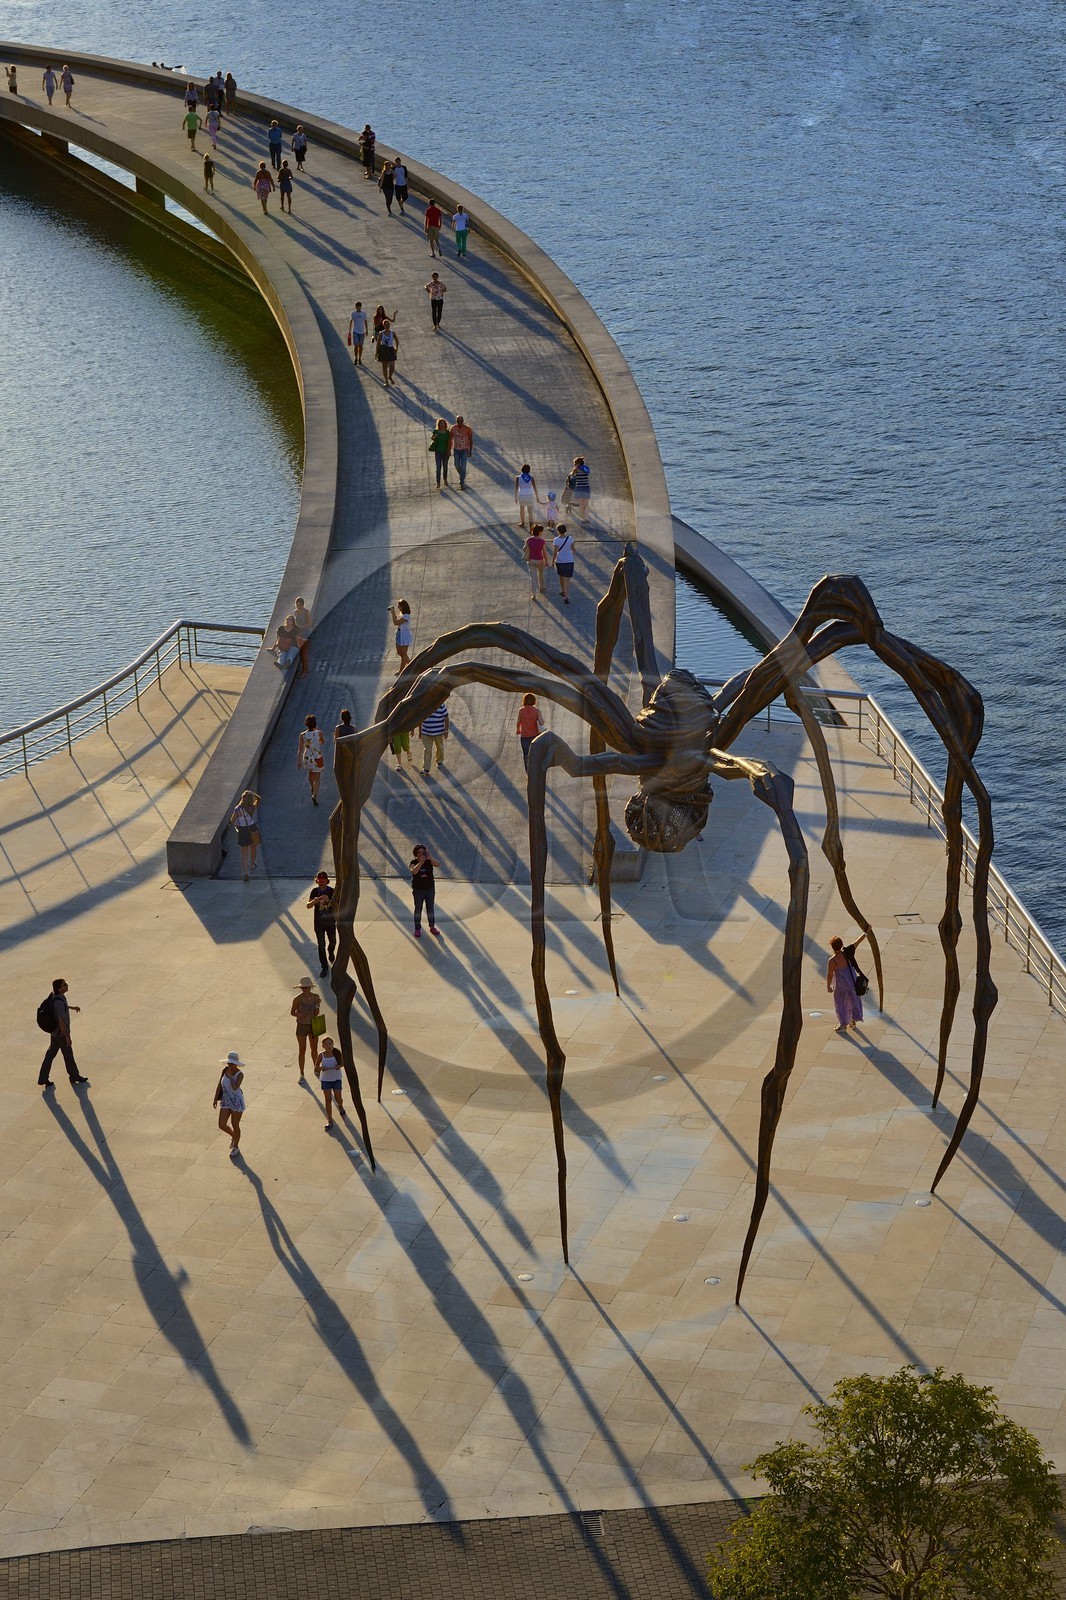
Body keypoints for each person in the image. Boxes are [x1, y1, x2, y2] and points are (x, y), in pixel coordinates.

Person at [37, 978, 88, 1089]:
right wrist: (67, 1037)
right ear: (60, 988)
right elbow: (61, 1021)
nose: (67, 985)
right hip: (61, 1034)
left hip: (54, 1033)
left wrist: (71, 1007)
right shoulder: (59, 1002)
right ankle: (74, 1075)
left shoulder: (54, 996)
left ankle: (43, 1077)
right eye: (65, 984)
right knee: (68, 1055)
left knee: (50, 1054)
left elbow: (59, 1007)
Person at [827, 933, 867, 1032]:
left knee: (840, 1003)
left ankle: (843, 1024)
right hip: (852, 982)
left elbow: (830, 975)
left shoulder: (832, 961)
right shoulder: (847, 953)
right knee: (852, 1000)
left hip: (840, 985)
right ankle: (853, 1021)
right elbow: (857, 942)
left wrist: (828, 986)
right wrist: (866, 933)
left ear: (832, 947)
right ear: (841, 944)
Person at [214, 1052, 246, 1156]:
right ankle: (234, 1136)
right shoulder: (225, 1070)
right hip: (226, 1100)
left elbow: (235, 1087)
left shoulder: (239, 1074)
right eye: (229, 1063)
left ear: (236, 1064)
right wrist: (215, 1098)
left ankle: (236, 1146)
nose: (230, 1066)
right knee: (222, 1124)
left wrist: (232, 1077)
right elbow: (220, 1085)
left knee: (235, 1124)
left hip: (236, 1101)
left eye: (232, 1064)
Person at [291, 977, 321, 1078]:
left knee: (314, 1048)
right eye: (303, 988)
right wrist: (299, 1015)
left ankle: (316, 1068)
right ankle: (302, 1073)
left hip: (313, 1024)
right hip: (302, 1025)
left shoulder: (316, 997)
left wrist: (317, 1005)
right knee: (302, 1050)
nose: (304, 989)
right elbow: (292, 1012)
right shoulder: (297, 999)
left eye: (306, 987)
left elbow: (316, 1013)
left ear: (310, 987)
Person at [307, 871, 336, 975]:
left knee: (333, 941)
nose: (322, 883)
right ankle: (324, 967)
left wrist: (329, 901)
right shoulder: (315, 891)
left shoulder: (332, 891)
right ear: (317, 881)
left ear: (327, 881)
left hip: (330, 921)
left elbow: (337, 905)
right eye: (320, 881)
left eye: (323, 881)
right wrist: (314, 901)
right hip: (319, 923)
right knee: (321, 945)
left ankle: (331, 951)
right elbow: (308, 905)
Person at [230, 790, 262, 880]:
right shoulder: (252, 807)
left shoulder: (238, 809)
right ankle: (252, 864)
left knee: (244, 854)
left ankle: (246, 873)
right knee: (253, 847)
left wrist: (237, 826)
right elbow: (259, 799)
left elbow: (232, 820)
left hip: (243, 830)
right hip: (252, 828)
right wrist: (252, 794)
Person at [410, 845, 440, 938]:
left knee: (430, 908)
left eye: (423, 852)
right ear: (416, 854)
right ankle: (417, 929)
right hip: (418, 890)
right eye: (419, 852)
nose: (421, 854)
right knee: (418, 909)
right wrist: (420, 862)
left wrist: (430, 858)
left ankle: (432, 926)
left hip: (429, 889)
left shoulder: (429, 862)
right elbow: (413, 871)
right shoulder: (413, 862)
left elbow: (438, 865)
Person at [316, 1037, 346, 1130]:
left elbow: (343, 1063)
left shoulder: (337, 1053)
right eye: (326, 1044)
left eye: (330, 1044)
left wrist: (339, 1066)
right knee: (328, 1100)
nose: (328, 1046)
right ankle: (330, 1120)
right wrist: (321, 1068)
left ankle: (340, 1106)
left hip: (336, 1079)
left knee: (338, 1098)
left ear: (332, 1044)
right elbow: (316, 1067)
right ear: (323, 1046)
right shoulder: (321, 1055)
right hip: (325, 1080)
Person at [297, 713, 325, 806]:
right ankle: (315, 795)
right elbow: (322, 742)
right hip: (318, 757)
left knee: (311, 773)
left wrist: (299, 761)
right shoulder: (319, 733)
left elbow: (300, 749)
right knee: (318, 778)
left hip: (308, 757)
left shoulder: (302, 735)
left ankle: (312, 787)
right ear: (315, 724)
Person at [516, 694, 545, 772]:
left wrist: (518, 730)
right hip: (535, 737)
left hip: (524, 737)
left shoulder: (521, 710)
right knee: (535, 755)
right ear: (534, 701)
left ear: (524, 700)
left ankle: (528, 773)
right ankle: (536, 771)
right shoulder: (537, 711)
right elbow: (541, 722)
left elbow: (519, 722)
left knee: (526, 756)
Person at [419, 703, 449, 776]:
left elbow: (446, 717)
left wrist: (446, 730)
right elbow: (420, 719)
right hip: (426, 732)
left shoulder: (441, 705)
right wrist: (420, 731)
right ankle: (426, 768)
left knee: (440, 747)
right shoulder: (424, 705)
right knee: (427, 750)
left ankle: (439, 760)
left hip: (438, 732)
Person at [552, 523, 576, 603]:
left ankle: (563, 591)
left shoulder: (556, 540)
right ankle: (566, 596)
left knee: (561, 576)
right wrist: (569, 555)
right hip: (569, 560)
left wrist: (553, 561)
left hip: (560, 560)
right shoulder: (570, 538)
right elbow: (573, 550)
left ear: (558, 531)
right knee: (567, 579)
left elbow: (555, 552)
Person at [563, 456, 592, 521]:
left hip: (579, 488)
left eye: (575, 464)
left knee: (581, 504)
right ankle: (586, 517)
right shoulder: (586, 468)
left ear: (578, 463)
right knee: (586, 504)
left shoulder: (576, 469)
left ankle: (583, 518)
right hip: (586, 487)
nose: (574, 465)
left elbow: (571, 475)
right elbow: (588, 472)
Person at [524, 524, 549, 599]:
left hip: (531, 560)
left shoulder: (528, 539)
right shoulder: (542, 541)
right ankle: (541, 587)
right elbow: (544, 552)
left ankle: (534, 594)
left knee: (533, 577)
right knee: (540, 574)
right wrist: (547, 561)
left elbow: (524, 549)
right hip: (540, 560)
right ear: (540, 532)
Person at [449, 416, 473, 490]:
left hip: (464, 450)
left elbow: (471, 440)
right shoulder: (453, 428)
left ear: (463, 421)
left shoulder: (467, 429)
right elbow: (450, 439)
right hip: (456, 449)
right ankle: (462, 474)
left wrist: (470, 450)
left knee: (463, 466)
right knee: (456, 464)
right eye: (458, 421)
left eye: (461, 421)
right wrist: (449, 449)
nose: (460, 423)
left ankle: (461, 483)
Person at [375, 318, 399, 386]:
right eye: (386, 325)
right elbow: (378, 343)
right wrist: (376, 352)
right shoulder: (381, 333)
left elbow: (397, 341)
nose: (387, 326)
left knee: (392, 366)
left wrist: (396, 349)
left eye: (388, 325)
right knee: (384, 366)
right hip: (383, 349)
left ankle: (390, 376)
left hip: (390, 349)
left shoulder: (392, 333)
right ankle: (386, 381)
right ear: (384, 326)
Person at [429, 418, 451, 488]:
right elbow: (432, 438)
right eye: (441, 423)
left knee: (445, 467)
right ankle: (438, 482)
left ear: (445, 424)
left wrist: (449, 450)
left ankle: (445, 479)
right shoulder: (436, 431)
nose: (442, 425)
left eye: (443, 423)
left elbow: (449, 442)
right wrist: (434, 437)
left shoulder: (447, 432)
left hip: (445, 452)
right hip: (438, 452)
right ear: (438, 424)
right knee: (438, 467)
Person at [514, 464, 539, 529]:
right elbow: (535, 488)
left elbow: (516, 488)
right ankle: (531, 525)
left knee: (522, 509)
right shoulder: (531, 478)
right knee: (530, 511)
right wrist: (537, 497)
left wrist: (515, 497)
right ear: (529, 470)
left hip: (521, 494)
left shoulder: (518, 478)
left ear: (522, 469)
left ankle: (522, 523)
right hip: (529, 495)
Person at [391, 599, 412, 671]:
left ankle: (401, 671)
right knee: (400, 652)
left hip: (404, 636)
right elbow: (397, 619)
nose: (398, 608)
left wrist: (393, 613)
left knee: (404, 654)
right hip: (399, 634)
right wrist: (394, 614)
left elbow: (396, 622)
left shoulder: (406, 616)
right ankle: (411, 665)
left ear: (403, 607)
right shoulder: (402, 614)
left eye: (399, 606)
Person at [293, 597, 312, 676]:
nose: (298, 607)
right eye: (297, 605)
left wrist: (302, 627)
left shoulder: (306, 612)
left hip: (305, 632)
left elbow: (309, 623)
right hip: (299, 633)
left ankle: (305, 670)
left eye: (299, 605)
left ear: (302, 605)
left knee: (303, 652)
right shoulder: (296, 612)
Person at [348, 301, 370, 366]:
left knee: (360, 346)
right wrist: (349, 330)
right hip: (355, 331)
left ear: (361, 307)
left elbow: (365, 321)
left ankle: (360, 358)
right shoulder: (353, 313)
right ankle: (356, 358)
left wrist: (367, 330)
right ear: (356, 307)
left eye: (359, 307)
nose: (358, 308)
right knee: (356, 345)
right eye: (357, 307)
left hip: (362, 332)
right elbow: (351, 321)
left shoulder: (363, 313)